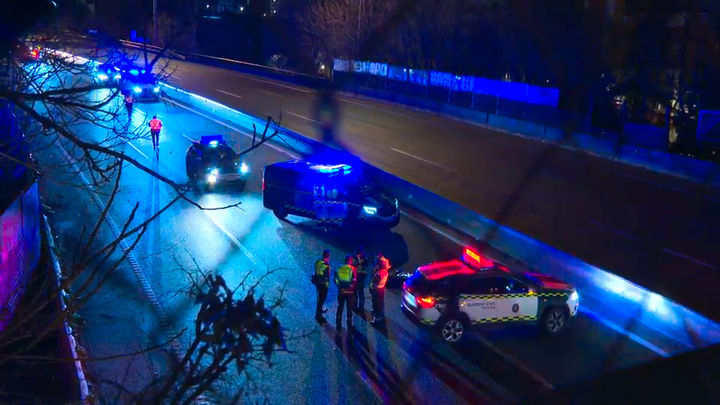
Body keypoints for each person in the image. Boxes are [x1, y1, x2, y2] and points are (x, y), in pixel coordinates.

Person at [334, 255, 357, 330]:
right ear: (350, 261)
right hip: (349, 293)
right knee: (349, 308)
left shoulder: (339, 268)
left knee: (340, 307)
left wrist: (340, 288)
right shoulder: (353, 269)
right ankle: (349, 325)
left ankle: (338, 324)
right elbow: (354, 281)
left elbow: (335, 279)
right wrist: (349, 289)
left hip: (341, 291)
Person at [370, 253, 390, 324]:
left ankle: (377, 317)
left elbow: (375, 282)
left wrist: (372, 287)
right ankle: (379, 313)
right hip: (381, 289)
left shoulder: (379, 273)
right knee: (380, 303)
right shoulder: (385, 272)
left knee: (376, 303)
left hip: (377, 290)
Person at [313, 249, 331, 322]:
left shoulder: (318, 262)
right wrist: (327, 285)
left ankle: (320, 310)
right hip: (323, 284)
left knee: (319, 298)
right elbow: (327, 276)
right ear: (327, 257)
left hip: (317, 282)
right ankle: (318, 314)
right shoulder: (325, 266)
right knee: (322, 298)